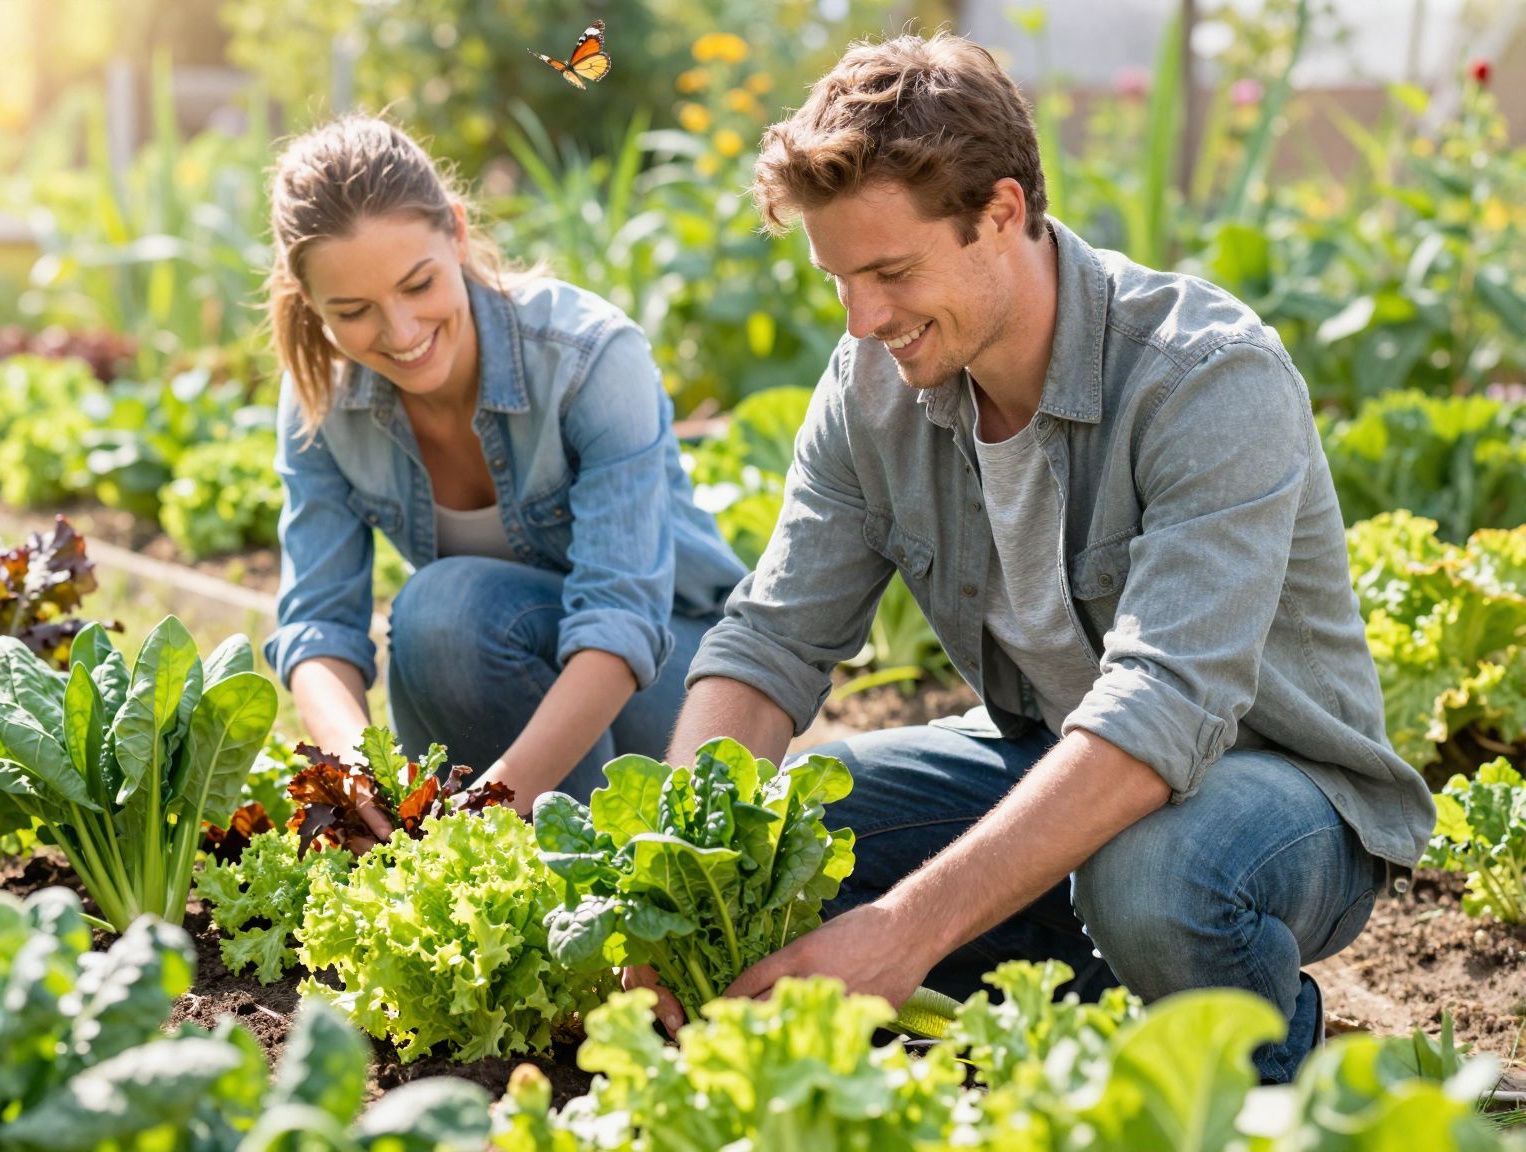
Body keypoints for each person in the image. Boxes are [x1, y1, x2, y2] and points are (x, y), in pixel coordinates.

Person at [652, 33, 1436, 1083]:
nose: (861, 318)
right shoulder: (871, 383)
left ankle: (1250, 1078)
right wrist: (668, 887)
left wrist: (903, 930)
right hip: (1051, 762)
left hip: (1275, 798)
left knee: (1157, 876)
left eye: (888, 271)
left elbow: (1159, 708)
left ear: (1002, 213)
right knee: (787, 840)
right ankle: (1094, 1005)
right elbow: (768, 642)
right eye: (837, 277)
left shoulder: (1203, 376)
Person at [261, 115, 746, 813]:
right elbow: (317, 623)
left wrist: (493, 801)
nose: (400, 332)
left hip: (674, 682)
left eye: (419, 284)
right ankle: (531, 870)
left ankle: (577, 863)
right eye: (355, 310)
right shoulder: (321, 397)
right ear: (310, 301)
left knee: (444, 608)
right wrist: (360, 778)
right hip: (520, 675)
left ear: (456, 231)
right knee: (439, 624)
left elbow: (621, 623)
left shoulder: (589, 358)